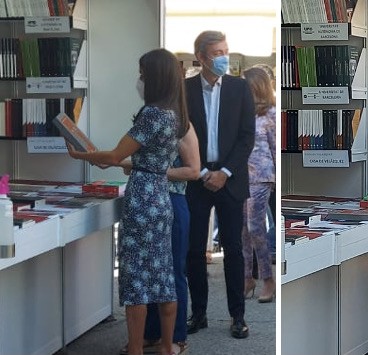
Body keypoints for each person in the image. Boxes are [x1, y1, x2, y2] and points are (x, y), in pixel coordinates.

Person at [67, 48, 187, 355]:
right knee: (162, 274)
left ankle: (135, 349)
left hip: (142, 198)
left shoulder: (151, 115)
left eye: (143, 74)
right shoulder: (175, 114)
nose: (140, 79)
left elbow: (114, 156)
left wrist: (81, 153)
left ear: (154, 77)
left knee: (137, 278)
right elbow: (138, 158)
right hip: (161, 194)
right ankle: (166, 347)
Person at [184, 30, 255, 339]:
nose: (223, 57)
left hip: (230, 179)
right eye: (217, 52)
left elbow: (246, 137)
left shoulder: (240, 89)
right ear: (201, 57)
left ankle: (237, 315)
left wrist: (224, 171)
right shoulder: (184, 90)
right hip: (197, 178)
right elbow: (178, 135)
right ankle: (198, 313)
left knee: (234, 250)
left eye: (226, 50)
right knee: (194, 249)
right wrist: (200, 172)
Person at [133, 122, 201, 355]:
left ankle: (175, 338)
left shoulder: (181, 125)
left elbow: (192, 170)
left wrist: (147, 170)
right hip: (145, 200)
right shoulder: (147, 118)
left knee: (172, 271)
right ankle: (151, 334)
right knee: (148, 271)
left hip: (172, 199)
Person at [241, 67, 276, 303]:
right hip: (239, 177)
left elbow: (274, 146)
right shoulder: (242, 112)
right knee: (241, 231)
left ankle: (267, 278)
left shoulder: (270, 113)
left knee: (255, 229)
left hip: (261, 177)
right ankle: (246, 278)